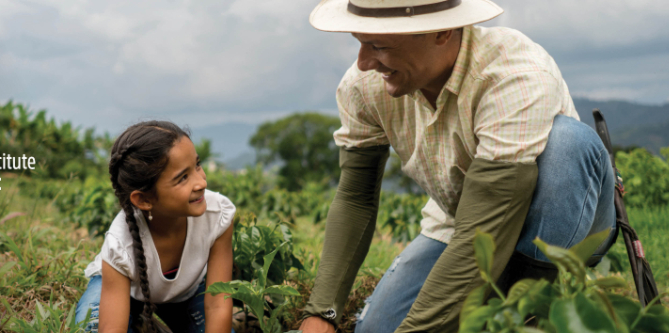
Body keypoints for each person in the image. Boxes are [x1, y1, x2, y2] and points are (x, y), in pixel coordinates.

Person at [298, 0, 616, 332]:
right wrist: (322, 312)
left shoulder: (514, 73)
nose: (363, 63)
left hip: (564, 222)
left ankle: (533, 299)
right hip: (460, 219)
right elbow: (355, 197)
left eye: (378, 46)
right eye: (360, 43)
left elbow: (487, 227)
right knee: (376, 328)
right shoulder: (363, 87)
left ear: (442, 32)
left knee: (569, 143)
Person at [74, 120, 236, 333]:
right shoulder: (120, 244)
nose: (201, 182)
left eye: (197, 165)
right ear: (143, 200)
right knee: (91, 328)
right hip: (125, 293)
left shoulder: (217, 215)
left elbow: (217, 305)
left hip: (183, 295)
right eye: (183, 178)